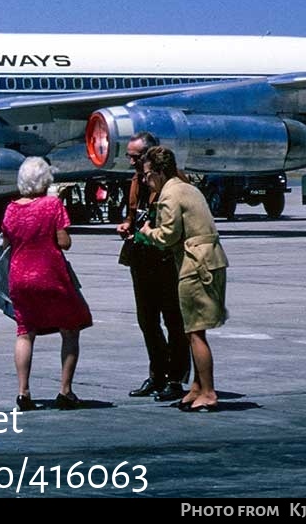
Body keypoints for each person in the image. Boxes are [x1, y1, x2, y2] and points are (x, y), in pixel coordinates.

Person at [133, 145, 229, 412]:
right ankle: (196, 387)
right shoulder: (187, 187)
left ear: (160, 172)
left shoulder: (169, 195)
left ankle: (208, 392)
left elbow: (167, 236)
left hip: (195, 264)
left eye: (148, 174)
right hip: (208, 260)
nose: (145, 179)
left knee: (195, 332)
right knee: (191, 330)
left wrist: (146, 232)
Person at [0, 157, 92, 411]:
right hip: (50, 274)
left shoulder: (11, 208)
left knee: (24, 332)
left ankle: (23, 392)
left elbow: (7, 243)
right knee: (70, 329)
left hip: (19, 276)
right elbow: (64, 243)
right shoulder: (52, 205)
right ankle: (65, 390)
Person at [115, 131, 190, 401]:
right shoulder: (136, 182)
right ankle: (157, 374)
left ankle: (176, 379)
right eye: (130, 157)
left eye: (135, 157)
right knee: (147, 320)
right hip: (142, 257)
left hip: (167, 259)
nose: (131, 163)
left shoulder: (174, 182)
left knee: (174, 319)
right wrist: (127, 224)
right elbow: (134, 215)